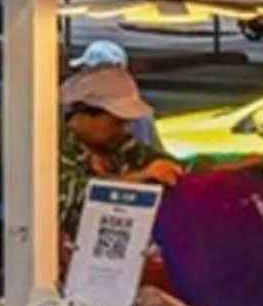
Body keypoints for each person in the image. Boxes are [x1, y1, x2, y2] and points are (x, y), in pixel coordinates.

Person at [57, 65, 183, 241]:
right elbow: (71, 193)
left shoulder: (121, 146)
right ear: (82, 113)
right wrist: (139, 178)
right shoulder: (50, 149)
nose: (123, 129)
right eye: (115, 122)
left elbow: (163, 162)